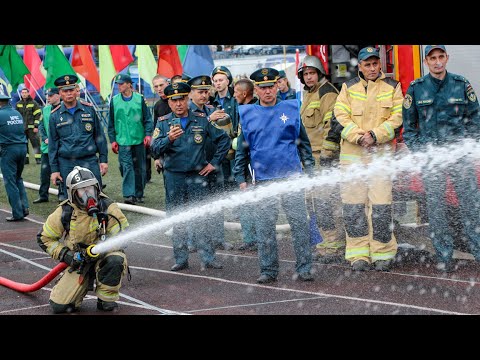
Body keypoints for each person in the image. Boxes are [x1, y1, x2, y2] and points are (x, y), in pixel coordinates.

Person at [233, 67, 315, 284]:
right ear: (256, 90)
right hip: (262, 179)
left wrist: (311, 171)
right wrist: (240, 178)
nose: (268, 91)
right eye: (263, 87)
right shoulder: (248, 114)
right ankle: (268, 270)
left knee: (299, 225)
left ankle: (304, 268)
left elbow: (304, 145)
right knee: (265, 228)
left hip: (292, 177)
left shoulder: (291, 109)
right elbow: (242, 150)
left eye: (271, 86)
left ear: (278, 86)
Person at [402, 45, 480, 272]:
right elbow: (409, 129)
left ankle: (478, 251)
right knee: (436, 209)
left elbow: (475, 119)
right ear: (426, 61)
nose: (437, 62)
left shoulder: (461, 84)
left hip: (459, 157)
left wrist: (468, 147)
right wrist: (422, 153)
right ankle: (444, 255)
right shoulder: (416, 89)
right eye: (432, 58)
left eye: (440, 57)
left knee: (471, 206)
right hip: (432, 159)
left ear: (447, 57)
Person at [333, 46, 403, 272]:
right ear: (360, 66)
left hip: (380, 159)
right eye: (367, 64)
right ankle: (358, 253)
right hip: (352, 159)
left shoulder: (393, 87)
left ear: (380, 64)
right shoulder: (348, 87)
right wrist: (358, 136)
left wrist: (375, 136)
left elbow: (398, 117)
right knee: (354, 208)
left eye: (375, 64)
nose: (372, 68)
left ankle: (382, 252)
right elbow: (340, 116)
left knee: (381, 207)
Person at [151, 81, 231, 271]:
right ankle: (181, 259)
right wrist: (168, 139)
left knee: (202, 216)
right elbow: (154, 149)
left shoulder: (202, 119)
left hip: (198, 176)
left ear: (188, 99)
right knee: (177, 218)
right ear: (169, 102)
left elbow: (224, 140)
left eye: (182, 99)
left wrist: (214, 163)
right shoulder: (163, 123)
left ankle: (208, 257)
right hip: (174, 177)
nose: (178, 104)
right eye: (174, 100)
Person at [37, 166, 129, 313]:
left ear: (97, 188)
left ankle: (105, 299)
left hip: (104, 257)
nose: (88, 194)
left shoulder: (108, 207)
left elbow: (124, 236)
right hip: (78, 261)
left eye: (90, 189)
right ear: (73, 193)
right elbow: (44, 238)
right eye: (82, 190)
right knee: (59, 307)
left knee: (115, 260)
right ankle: (77, 287)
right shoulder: (65, 211)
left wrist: (104, 247)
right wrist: (67, 255)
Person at [297, 55, 345, 264]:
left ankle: (333, 244)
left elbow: (331, 126)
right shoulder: (310, 93)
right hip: (309, 157)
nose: (308, 77)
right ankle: (325, 242)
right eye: (305, 74)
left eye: (312, 73)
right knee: (314, 202)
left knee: (326, 202)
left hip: (322, 157)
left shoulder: (327, 93)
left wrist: (326, 155)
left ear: (319, 73)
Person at [48, 74, 109, 202]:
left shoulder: (89, 109)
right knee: (69, 199)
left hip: (89, 160)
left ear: (76, 90)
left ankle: (96, 221)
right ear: (60, 93)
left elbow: (99, 136)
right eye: (65, 91)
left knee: (96, 196)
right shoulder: (54, 116)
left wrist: (103, 160)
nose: (69, 93)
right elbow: (53, 144)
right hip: (66, 163)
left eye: (71, 90)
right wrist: (54, 170)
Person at [108, 74, 153, 205]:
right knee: (126, 167)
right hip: (122, 141)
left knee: (140, 168)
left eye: (122, 83)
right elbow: (111, 123)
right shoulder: (114, 101)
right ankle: (129, 194)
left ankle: (139, 194)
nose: (119, 86)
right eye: (118, 84)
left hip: (139, 139)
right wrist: (113, 140)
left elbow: (147, 119)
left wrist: (148, 134)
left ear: (129, 84)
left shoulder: (140, 99)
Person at [232, 78, 257, 251]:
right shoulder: (245, 109)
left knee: (251, 202)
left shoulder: (251, 110)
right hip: (248, 162)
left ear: (244, 93)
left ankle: (254, 239)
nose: (234, 95)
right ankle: (251, 239)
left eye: (236, 92)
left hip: (252, 165)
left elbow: (245, 142)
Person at [0, 84, 29, 221]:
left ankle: (17, 213)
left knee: (10, 182)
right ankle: (25, 207)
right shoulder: (16, 113)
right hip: (22, 148)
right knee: (18, 178)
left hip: (8, 151)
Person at [211, 65, 239, 191]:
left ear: (228, 81)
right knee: (223, 178)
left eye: (221, 80)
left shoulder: (235, 99)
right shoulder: (211, 101)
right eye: (215, 81)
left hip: (235, 145)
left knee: (236, 177)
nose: (218, 83)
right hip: (219, 146)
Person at [34, 87, 61, 204]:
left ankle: (62, 195)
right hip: (47, 148)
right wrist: (45, 138)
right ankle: (43, 195)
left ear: (58, 95)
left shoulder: (63, 108)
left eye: (50, 96)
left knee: (61, 172)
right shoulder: (45, 109)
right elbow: (41, 125)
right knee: (44, 173)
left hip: (61, 148)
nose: (48, 98)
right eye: (47, 96)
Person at [15, 87, 42, 165]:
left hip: (32, 129)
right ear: (21, 94)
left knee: (36, 144)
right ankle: (25, 160)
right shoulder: (18, 104)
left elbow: (38, 115)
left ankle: (38, 159)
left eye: (25, 92)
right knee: (24, 145)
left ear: (28, 93)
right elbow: (16, 116)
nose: (24, 94)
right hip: (22, 129)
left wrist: (36, 126)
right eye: (22, 93)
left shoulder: (34, 103)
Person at [151, 75, 172, 176]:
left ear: (167, 83)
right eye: (156, 86)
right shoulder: (158, 106)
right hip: (165, 147)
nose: (159, 89)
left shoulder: (178, 100)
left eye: (161, 85)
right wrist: (156, 157)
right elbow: (156, 131)